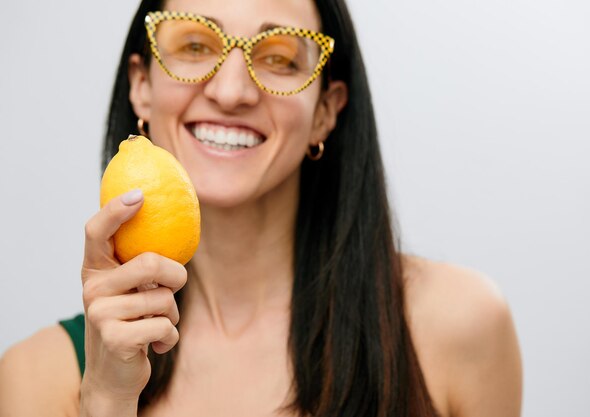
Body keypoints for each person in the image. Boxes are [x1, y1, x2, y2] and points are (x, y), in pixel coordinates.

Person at [0, 0, 522, 416]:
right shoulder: (38, 378)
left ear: (325, 112)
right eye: (195, 43)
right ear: (142, 87)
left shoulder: (460, 326)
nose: (231, 92)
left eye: (278, 58)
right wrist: (108, 403)